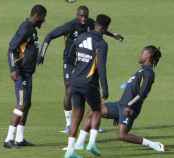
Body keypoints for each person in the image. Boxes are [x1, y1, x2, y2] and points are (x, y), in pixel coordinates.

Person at [37, 5, 123, 133]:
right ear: (77, 15)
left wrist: (113, 35)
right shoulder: (70, 26)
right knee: (69, 89)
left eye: (85, 16)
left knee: (89, 88)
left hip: (84, 61)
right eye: (81, 16)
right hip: (70, 61)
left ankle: (93, 122)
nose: (83, 19)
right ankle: (68, 123)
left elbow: (100, 29)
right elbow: (50, 36)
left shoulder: (90, 23)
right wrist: (41, 54)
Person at [73, 45, 165, 153]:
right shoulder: (141, 70)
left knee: (122, 135)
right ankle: (79, 143)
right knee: (93, 111)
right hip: (120, 105)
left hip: (129, 108)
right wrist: (118, 113)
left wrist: (129, 106)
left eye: (142, 53)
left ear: (148, 55)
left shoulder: (148, 73)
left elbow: (142, 94)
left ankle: (153, 144)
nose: (140, 55)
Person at [64, 14, 111, 158]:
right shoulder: (101, 44)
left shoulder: (81, 37)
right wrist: (105, 88)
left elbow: (69, 55)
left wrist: (73, 72)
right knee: (97, 110)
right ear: (105, 27)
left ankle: (70, 151)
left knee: (76, 116)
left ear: (96, 23)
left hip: (75, 81)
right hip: (89, 83)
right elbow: (101, 67)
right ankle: (91, 143)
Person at [3, 4, 47, 148]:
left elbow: (28, 48)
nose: (44, 21)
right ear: (37, 16)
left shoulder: (32, 29)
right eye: (43, 18)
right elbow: (11, 48)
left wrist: (37, 56)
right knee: (21, 104)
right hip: (21, 74)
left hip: (28, 74)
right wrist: (13, 69)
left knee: (27, 104)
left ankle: (20, 138)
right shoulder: (26, 27)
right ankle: (8, 139)